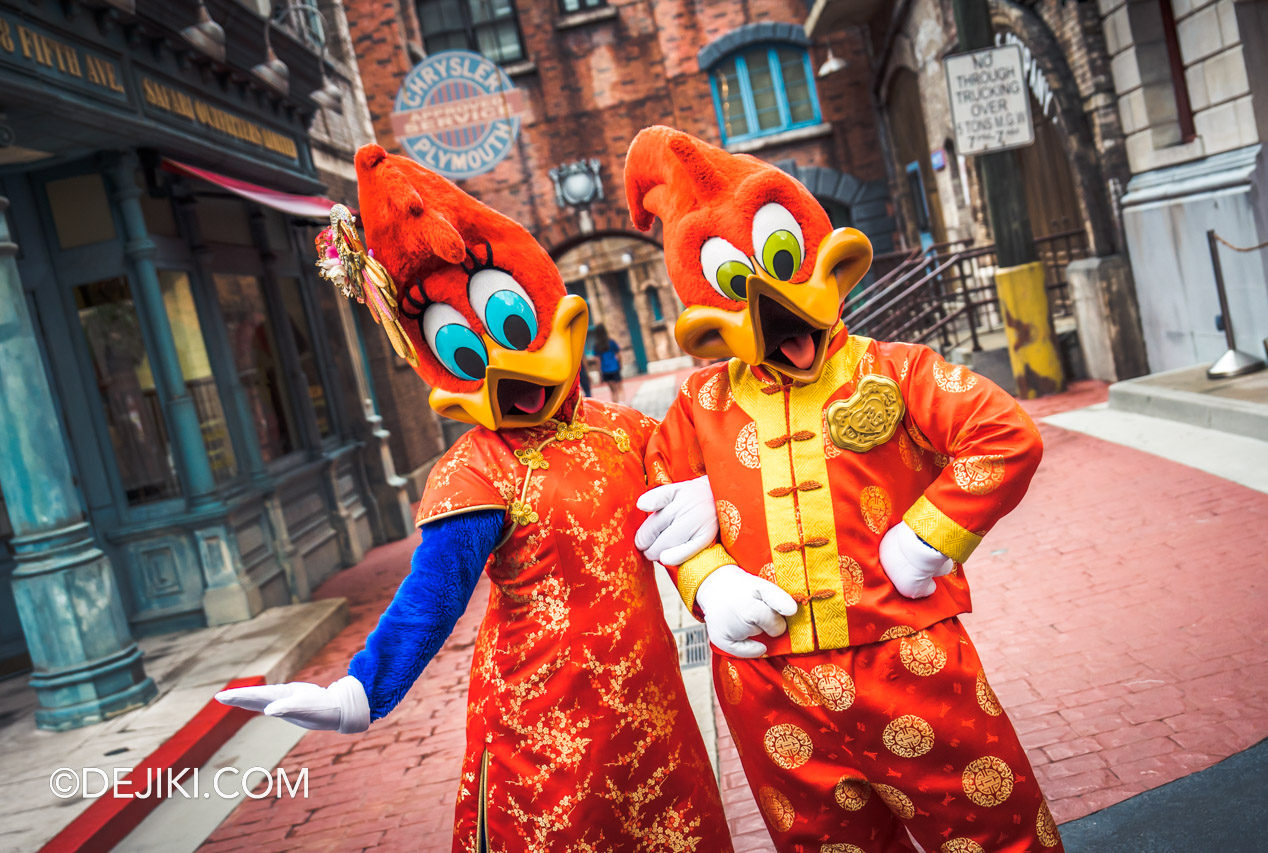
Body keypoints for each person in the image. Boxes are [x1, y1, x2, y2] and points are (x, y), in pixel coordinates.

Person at [218, 145, 734, 852]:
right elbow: (432, 596)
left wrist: (717, 491)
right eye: (465, 353)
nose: (505, 374)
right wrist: (360, 691)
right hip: (544, 731)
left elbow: (733, 460)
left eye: (514, 326)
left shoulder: (629, 432)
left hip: (652, 716)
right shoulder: (477, 472)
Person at [625, 126, 1062, 852]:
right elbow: (660, 503)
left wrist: (932, 533)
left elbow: (1005, 434)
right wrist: (709, 580)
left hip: (909, 659)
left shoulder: (895, 370)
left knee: (992, 829)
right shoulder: (698, 404)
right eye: (738, 286)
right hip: (771, 687)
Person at [592, 325, 625, 402]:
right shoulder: (611, 342)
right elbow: (619, 354)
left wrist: (599, 372)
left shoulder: (596, 346)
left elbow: (597, 361)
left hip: (605, 370)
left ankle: (615, 407)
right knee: (620, 388)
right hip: (615, 367)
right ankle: (623, 404)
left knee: (613, 391)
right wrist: (620, 363)